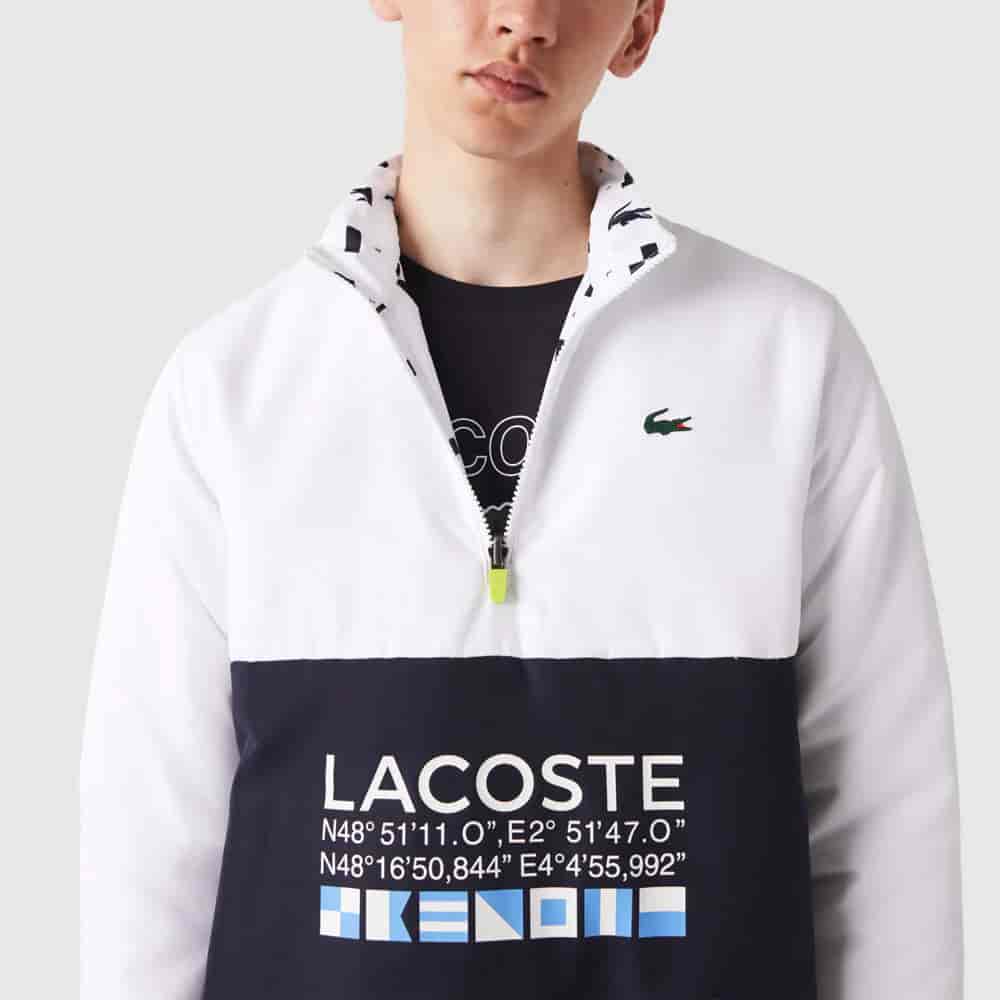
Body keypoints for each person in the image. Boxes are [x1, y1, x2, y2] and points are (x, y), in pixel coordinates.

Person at [79, 2, 964, 998]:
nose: (524, 19)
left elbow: (885, 811)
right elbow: (150, 839)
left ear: (639, 28)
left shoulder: (782, 356)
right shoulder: (233, 385)